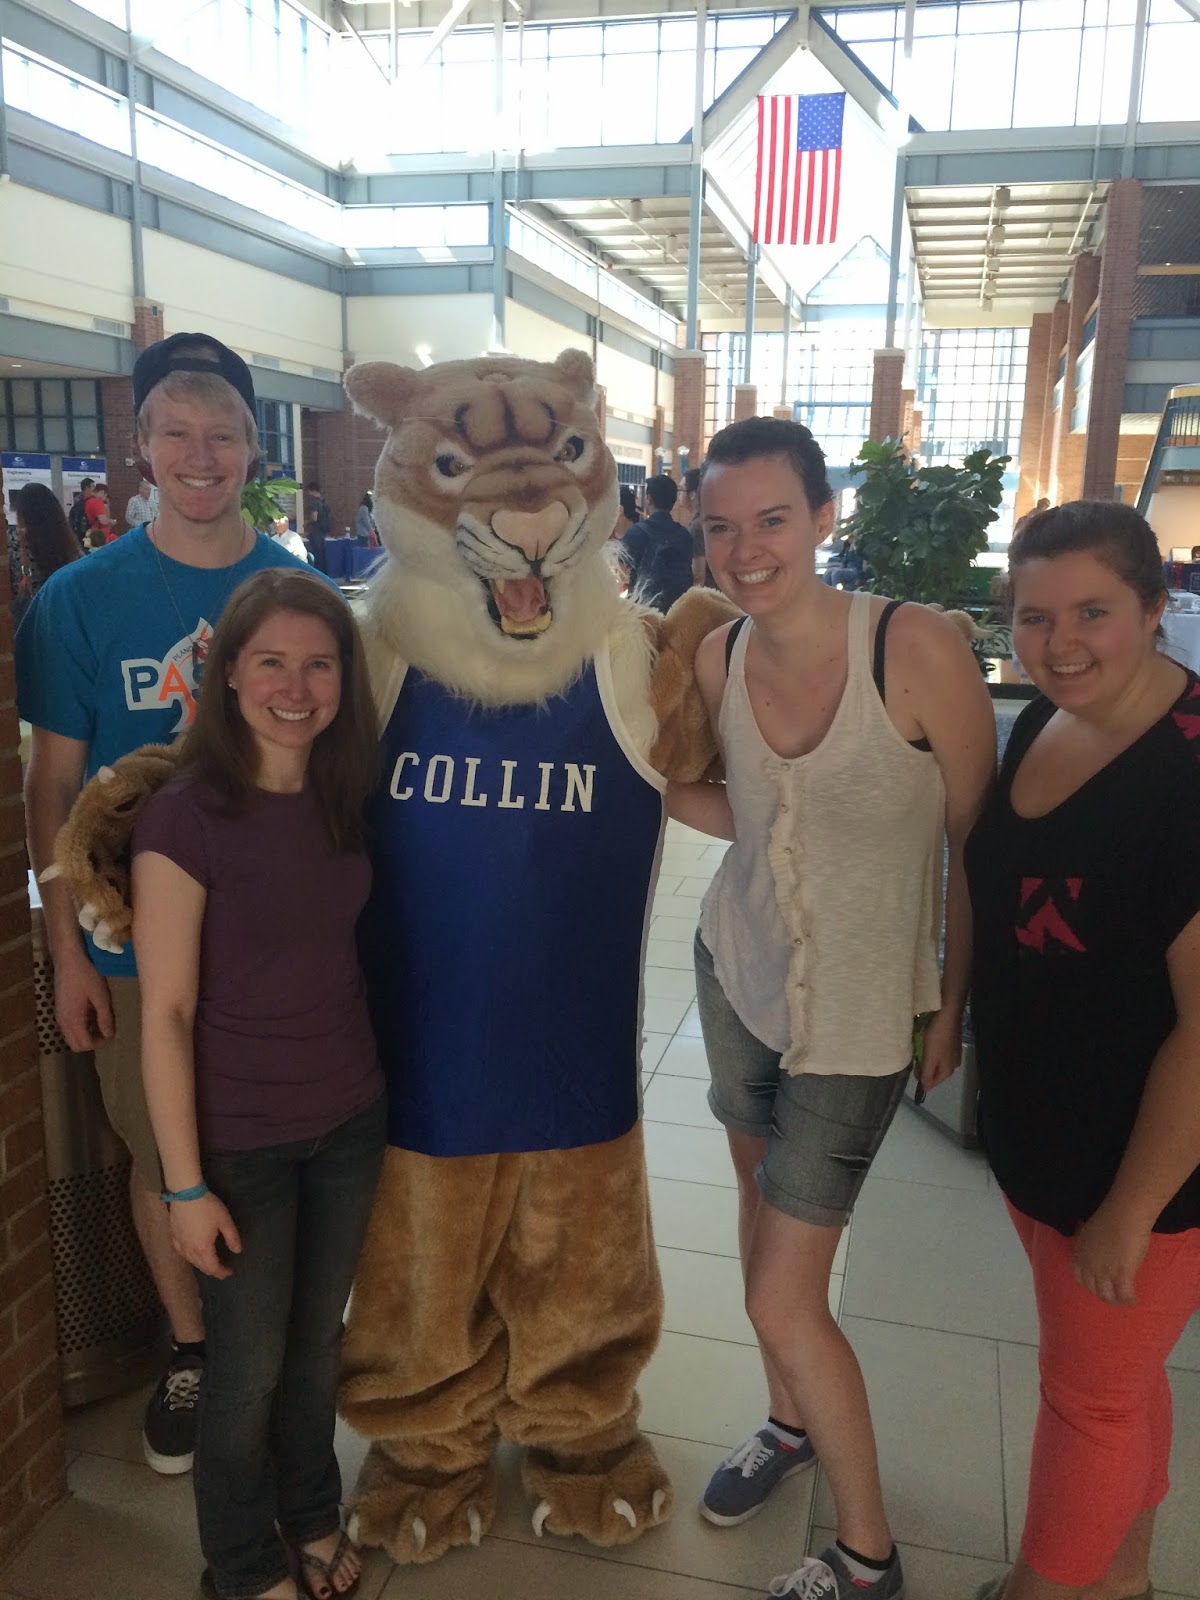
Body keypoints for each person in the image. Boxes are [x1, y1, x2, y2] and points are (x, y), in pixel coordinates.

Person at [668, 416, 995, 1600]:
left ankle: (867, 1556)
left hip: (858, 1021)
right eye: (722, 527)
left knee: (780, 1287)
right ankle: (786, 1421)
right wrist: (640, 776)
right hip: (738, 973)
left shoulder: (914, 648)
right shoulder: (718, 656)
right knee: (758, 1211)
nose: (746, 549)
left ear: (822, 517)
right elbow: (747, 811)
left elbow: (976, 842)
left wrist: (949, 1004)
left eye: (771, 520)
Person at [17, 331, 321, 1480]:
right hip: (131, 942)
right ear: (140, 447)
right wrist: (68, 954)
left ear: (253, 447)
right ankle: (192, 1351)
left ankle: (274, 1354)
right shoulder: (78, 600)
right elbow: (51, 786)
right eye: (177, 434)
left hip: (275, 940)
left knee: (279, 1150)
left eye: (222, 434)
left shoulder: (296, 590)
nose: (201, 455)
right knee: (159, 1152)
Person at [132, 566, 385, 1600]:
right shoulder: (184, 818)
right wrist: (184, 1188)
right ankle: (240, 1566)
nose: (296, 687)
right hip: (240, 1141)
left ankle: (312, 1513)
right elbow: (165, 1015)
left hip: (349, 1118)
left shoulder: (344, 792)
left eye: (319, 664)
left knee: (316, 1348)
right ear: (228, 672)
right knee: (245, 1374)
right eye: (272, 661)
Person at [964, 501, 1200, 1600]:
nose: (1058, 644)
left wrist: (1130, 1212)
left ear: (1156, 609)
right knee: (1123, 1382)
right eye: (1034, 617)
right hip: (1046, 1136)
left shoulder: (1185, 778)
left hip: (1139, 1172)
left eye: (1093, 612)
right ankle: (1123, 1581)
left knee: (1089, 1402)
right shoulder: (1042, 723)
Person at [7, 482, 80, 628]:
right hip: (61, 617)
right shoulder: (65, 540)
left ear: (21, 511)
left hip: (28, 620)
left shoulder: (12, 540)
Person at [619, 473, 694, 613]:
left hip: (644, 610)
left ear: (649, 499)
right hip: (677, 612)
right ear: (673, 501)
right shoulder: (685, 536)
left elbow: (621, 572)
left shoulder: (636, 533)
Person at [306, 481, 333, 574]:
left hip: (316, 532)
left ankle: (317, 574)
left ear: (313, 491)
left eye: (309, 491)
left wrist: (306, 523)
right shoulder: (324, 502)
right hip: (323, 532)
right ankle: (324, 574)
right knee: (322, 555)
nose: (308, 494)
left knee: (316, 555)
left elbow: (314, 518)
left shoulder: (314, 503)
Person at [84, 481, 113, 547]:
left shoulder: (88, 501)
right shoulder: (97, 501)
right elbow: (103, 521)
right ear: (102, 492)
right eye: (106, 495)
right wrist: (111, 521)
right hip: (101, 537)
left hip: (93, 535)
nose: (105, 498)